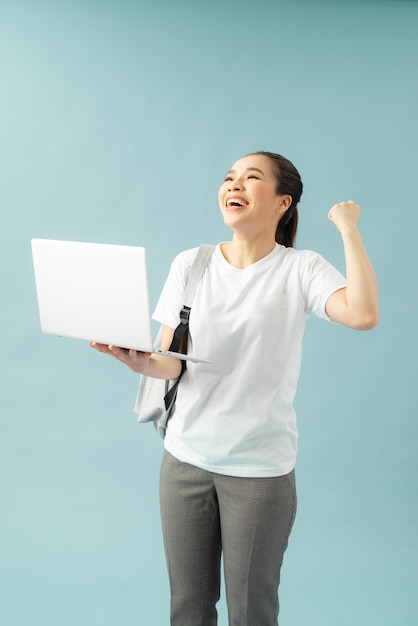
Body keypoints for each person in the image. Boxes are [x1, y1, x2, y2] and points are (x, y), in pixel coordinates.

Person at [91, 151, 379, 626]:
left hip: (259, 472)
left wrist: (347, 227)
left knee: (251, 611)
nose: (234, 185)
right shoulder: (192, 263)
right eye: (228, 178)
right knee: (188, 606)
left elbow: (363, 313)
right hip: (184, 461)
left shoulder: (301, 269)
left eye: (251, 177)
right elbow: (169, 362)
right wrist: (137, 360)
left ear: (283, 202)